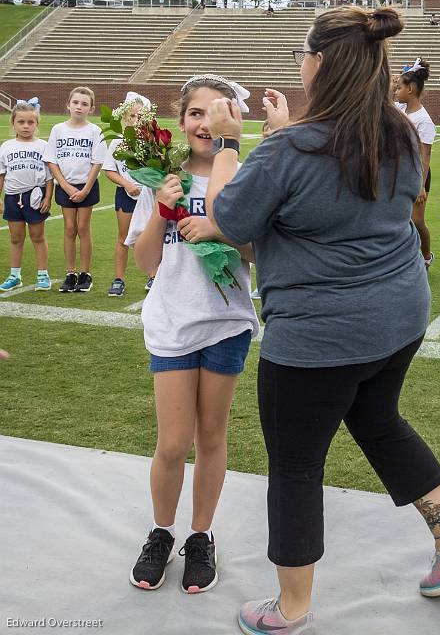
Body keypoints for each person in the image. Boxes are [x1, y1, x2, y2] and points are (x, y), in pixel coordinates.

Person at [205, 5, 440, 634]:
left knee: (296, 465)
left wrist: (229, 141)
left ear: (320, 62)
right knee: (380, 422)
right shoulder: (400, 132)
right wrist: (281, 137)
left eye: (303, 54)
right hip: (398, 317)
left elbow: (232, 218)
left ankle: (291, 607)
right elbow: (332, 183)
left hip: (321, 334)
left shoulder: (291, 149)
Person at [127, 73, 259, 595]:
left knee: (210, 437)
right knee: (172, 442)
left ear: (234, 119)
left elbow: (255, 252)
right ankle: (161, 531)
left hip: (226, 323)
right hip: (172, 322)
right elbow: (145, 263)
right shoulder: (161, 176)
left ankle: (200, 537)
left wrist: (220, 228)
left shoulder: (245, 176)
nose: (206, 122)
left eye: (217, 112)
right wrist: (162, 207)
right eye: (196, 113)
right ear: (181, 121)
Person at [43, 86, 106, 293]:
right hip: (65, 186)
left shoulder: (95, 131)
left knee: (83, 228)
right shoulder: (58, 129)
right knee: (69, 229)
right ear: (68, 105)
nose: (79, 107)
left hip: (86, 186)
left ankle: (85, 274)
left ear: (92, 109)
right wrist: (66, 185)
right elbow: (52, 161)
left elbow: (97, 162)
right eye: (76, 103)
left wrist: (86, 189)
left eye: (84, 104)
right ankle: (70, 273)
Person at [102, 92, 156, 296]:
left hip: (148, 196)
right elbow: (109, 170)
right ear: (125, 117)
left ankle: (153, 276)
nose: (135, 120)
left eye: (140, 116)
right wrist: (125, 183)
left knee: (151, 237)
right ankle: (118, 279)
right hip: (126, 195)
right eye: (132, 116)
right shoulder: (117, 142)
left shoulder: (151, 141)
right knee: (123, 237)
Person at [0, 102, 53, 292]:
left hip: (35, 196)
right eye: (21, 122)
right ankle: (15, 276)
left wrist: (47, 198)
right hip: (12, 197)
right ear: (13, 123)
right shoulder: (6, 146)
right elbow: (2, 175)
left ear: (36, 124)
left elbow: (48, 177)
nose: (26, 126)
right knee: (15, 238)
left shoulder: (43, 146)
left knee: (38, 236)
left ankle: (42, 274)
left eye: (31, 122)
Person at [395, 58, 436, 268]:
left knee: (417, 221)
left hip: (417, 174)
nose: (396, 90)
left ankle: (427, 256)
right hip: (398, 173)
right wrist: (394, 81)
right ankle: (403, 259)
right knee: (399, 220)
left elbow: (425, 156)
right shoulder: (399, 108)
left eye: (400, 87)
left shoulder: (424, 120)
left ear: (410, 89)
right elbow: (381, 102)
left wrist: (420, 185)